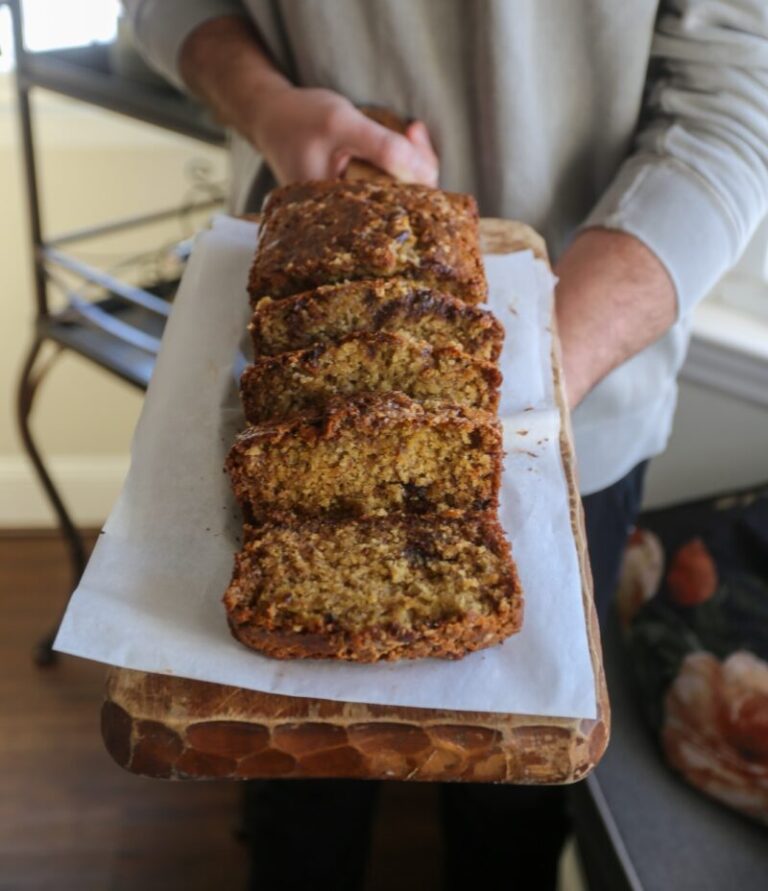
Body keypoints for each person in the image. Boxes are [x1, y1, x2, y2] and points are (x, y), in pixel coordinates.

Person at [123, 2, 768, 888]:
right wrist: (267, 103)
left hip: (585, 386)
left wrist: (540, 381)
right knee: (294, 791)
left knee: (511, 806)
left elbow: (736, 100)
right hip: (275, 304)